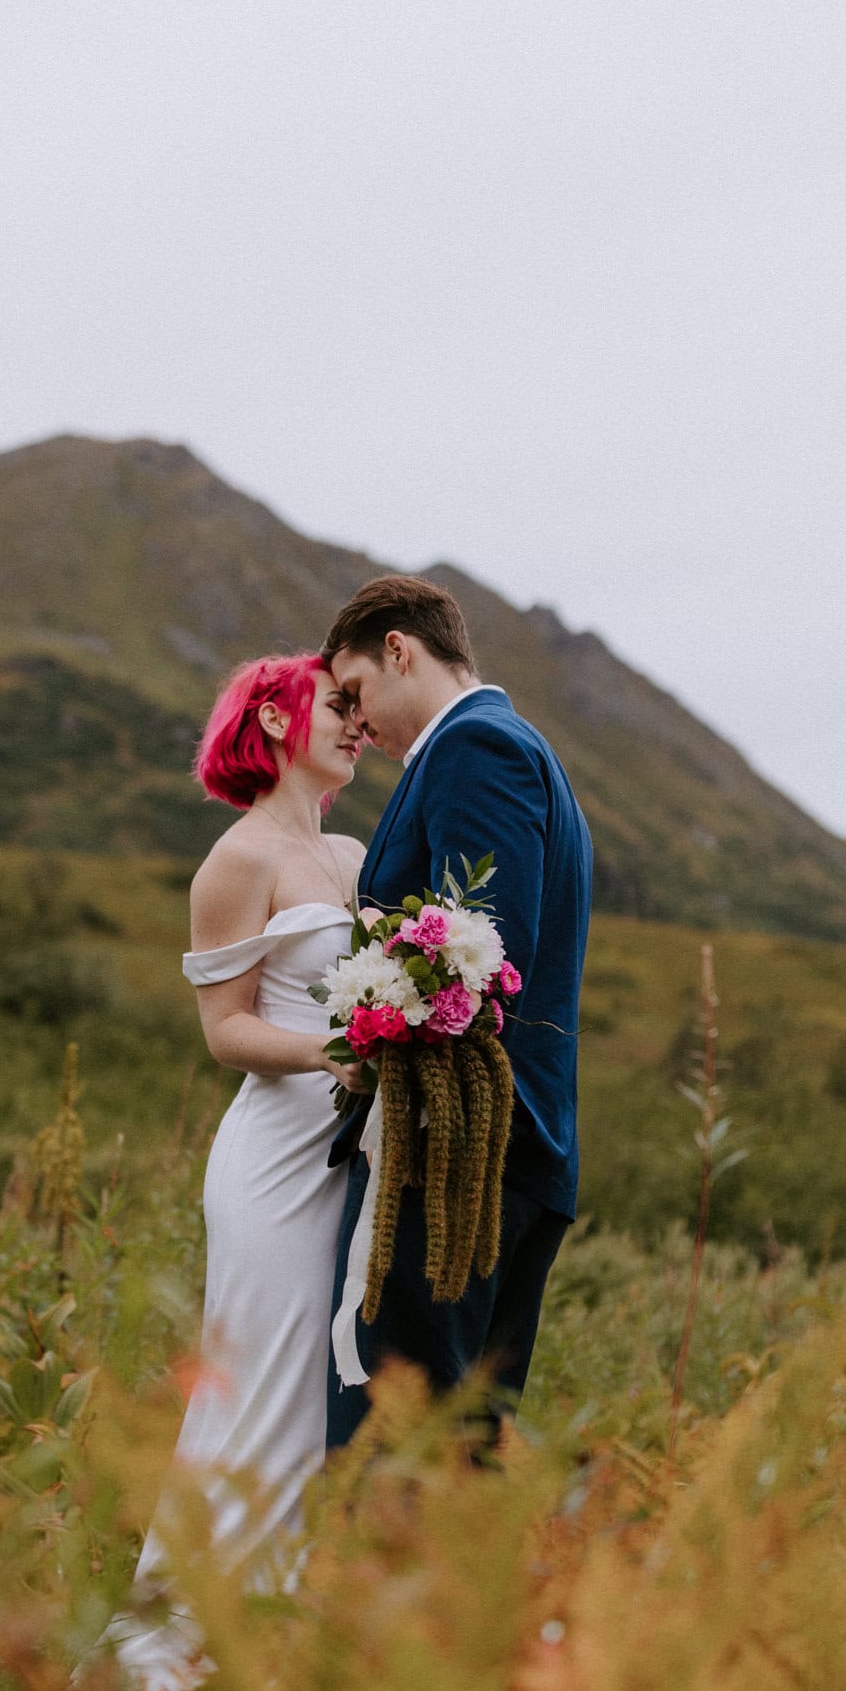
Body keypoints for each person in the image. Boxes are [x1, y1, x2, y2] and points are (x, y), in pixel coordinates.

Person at [110, 651, 366, 1691]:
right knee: (260, 1388)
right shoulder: (235, 862)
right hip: (273, 1161)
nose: (359, 724)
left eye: (361, 709)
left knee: (323, 1393)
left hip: (354, 1151)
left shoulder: (356, 854)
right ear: (274, 718)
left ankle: (277, 1652)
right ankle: (179, 1659)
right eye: (338, 707)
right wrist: (345, 1054)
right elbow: (227, 1032)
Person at [321, 574, 592, 1448]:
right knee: (459, 1454)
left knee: (398, 1442)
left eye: (355, 692)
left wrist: (372, 1012)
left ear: (399, 649)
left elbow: (476, 958)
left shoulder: (477, 748)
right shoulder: (499, 746)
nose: (354, 721)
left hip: (457, 1165)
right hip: (504, 1154)